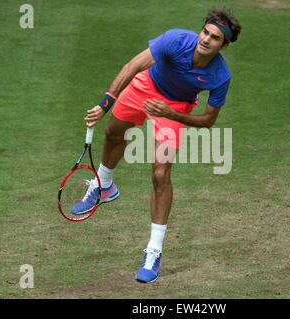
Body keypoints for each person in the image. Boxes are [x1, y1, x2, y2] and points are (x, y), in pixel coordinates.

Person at [78, 7, 241, 283]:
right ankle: (104, 186)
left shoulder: (220, 76)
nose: (206, 39)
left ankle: (153, 251)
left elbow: (208, 121)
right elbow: (134, 66)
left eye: (214, 38)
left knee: (160, 174)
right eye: (205, 32)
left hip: (175, 107)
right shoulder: (176, 39)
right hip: (145, 85)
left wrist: (171, 114)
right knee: (113, 132)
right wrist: (106, 102)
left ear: (223, 45)